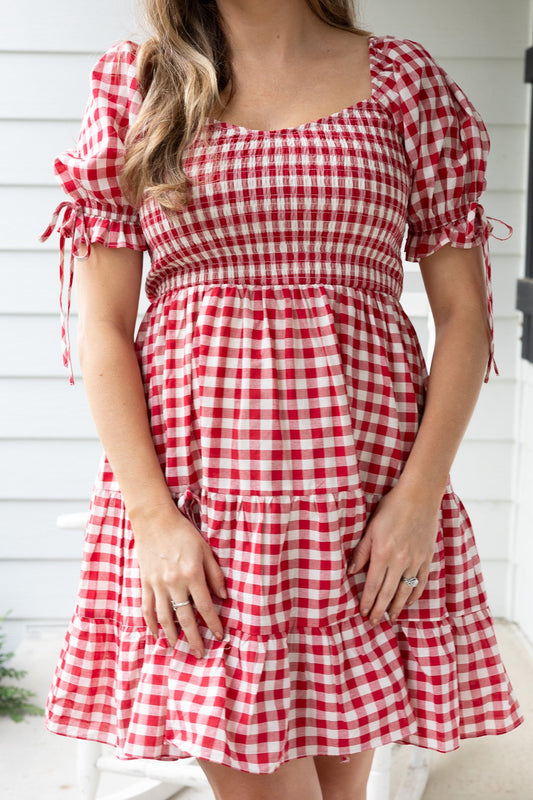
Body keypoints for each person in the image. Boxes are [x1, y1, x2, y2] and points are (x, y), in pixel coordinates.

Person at [40, 1, 524, 798]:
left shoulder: (402, 83)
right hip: (203, 511)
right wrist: (154, 520)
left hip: (361, 503)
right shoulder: (143, 82)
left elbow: (464, 320)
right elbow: (102, 329)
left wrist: (416, 501)